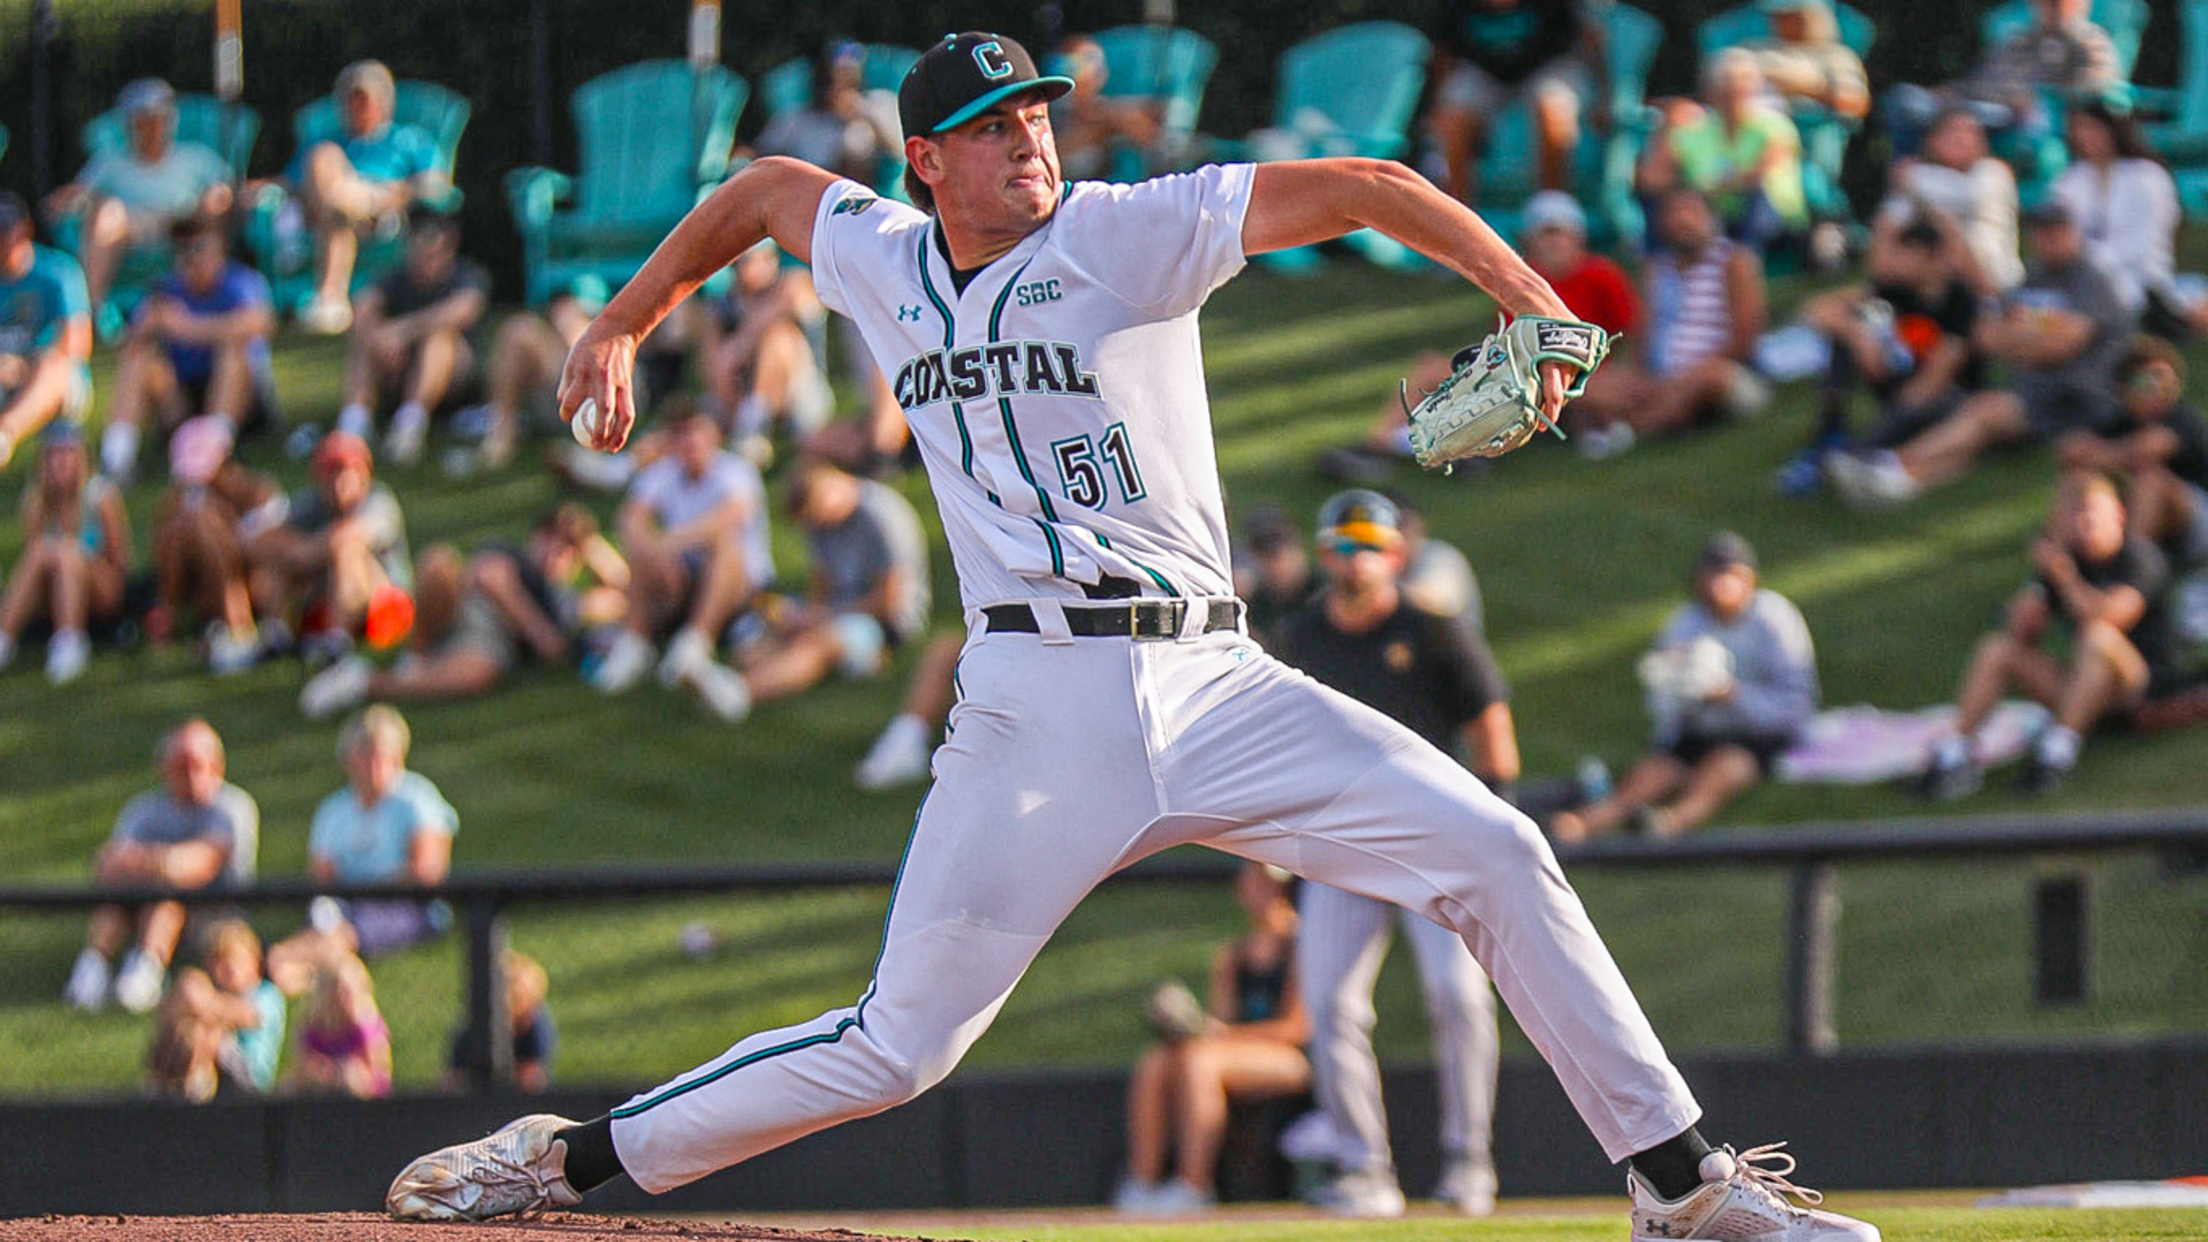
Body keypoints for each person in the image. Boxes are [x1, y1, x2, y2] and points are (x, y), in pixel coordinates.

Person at [387, 33, 1881, 1242]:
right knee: (896, 1051)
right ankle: (564, 1162)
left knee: (1498, 850)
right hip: (1036, 701)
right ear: (926, 160)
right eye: (986, 123)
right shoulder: (885, 258)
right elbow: (767, 187)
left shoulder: (1129, 231)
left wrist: (1533, 298)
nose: (1026, 136)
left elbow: (1362, 182)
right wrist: (626, 320)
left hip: (1219, 676)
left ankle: (1683, 1185)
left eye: (1032, 109)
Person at [1276, 491, 1515, 1217]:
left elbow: (1493, 736)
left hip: (1431, 836)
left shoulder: (1436, 632)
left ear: (1398, 554)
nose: (1357, 559)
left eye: (1370, 545)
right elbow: (1280, 748)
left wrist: (1489, 834)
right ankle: (1363, 1170)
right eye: (1345, 546)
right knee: (1331, 1005)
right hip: (1339, 838)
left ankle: (1469, 1163)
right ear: (1324, 555)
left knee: (1459, 995)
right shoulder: (1301, 637)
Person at [1827, 200, 2130, 505]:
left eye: (2058, 230)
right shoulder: (2035, 276)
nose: (2049, 238)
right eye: (2041, 230)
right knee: (1976, 435)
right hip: (2036, 393)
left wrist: (2022, 341)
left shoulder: (2093, 282)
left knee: (1984, 411)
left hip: (2078, 399)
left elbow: (2062, 346)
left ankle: (1891, 464)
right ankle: (1900, 481)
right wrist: (2032, 340)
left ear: (2075, 232)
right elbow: (1986, 336)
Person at [1324, 191, 1640, 480]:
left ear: (1578, 237)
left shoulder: (1601, 275)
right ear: (1529, 239)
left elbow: (1630, 332)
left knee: (1601, 390)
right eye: (1545, 234)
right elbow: (1505, 340)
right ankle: (1378, 445)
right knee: (1434, 367)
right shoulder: (1523, 282)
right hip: (1523, 374)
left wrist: (1620, 372)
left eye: (1559, 233)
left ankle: (1464, 445)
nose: (1553, 243)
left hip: (1579, 377)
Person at [1921, 471, 2173, 797]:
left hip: (2139, 690)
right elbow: (2021, 634)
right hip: (2082, 686)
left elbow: (2110, 617)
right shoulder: (2065, 562)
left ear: (2119, 514)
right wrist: (2037, 585)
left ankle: (2055, 754)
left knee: (2096, 635)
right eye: (2076, 515)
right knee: (1997, 648)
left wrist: (2064, 578)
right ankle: (1954, 752)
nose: (2085, 524)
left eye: (2092, 513)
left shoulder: (2141, 558)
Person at [1552, 533, 1818, 841]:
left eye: (1730, 575)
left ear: (1750, 579)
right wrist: (1681, 692)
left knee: (1726, 768)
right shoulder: (1686, 623)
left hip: (1757, 736)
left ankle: (1669, 822)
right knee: (1656, 771)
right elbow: (1662, 697)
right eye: (1712, 574)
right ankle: (1580, 825)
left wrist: (1732, 695)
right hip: (1697, 729)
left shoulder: (1775, 619)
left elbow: (1797, 703)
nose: (1720, 585)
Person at [299, 505, 631, 717]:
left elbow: (623, 595)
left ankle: (365, 683)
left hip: (487, 643)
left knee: (480, 673)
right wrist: (540, 630)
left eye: (568, 550)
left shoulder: (565, 597)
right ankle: (417, 660)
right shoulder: (513, 556)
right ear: (535, 537)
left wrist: (593, 546)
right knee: (439, 563)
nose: (555, 553)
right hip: (461, 610)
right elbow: (490, 578)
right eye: (551, 540)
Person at [1113, 862, 1310, 1214]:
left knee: (1198, 1061)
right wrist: (1191, 1026)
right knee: (1157, 1061)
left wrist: (1226, 1034)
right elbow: (1222, 1020)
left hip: (1292, 1059)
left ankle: (1194, 1187)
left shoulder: (1301, 945)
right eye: (1254, 881)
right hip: (1237, 1052)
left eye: (1268, 884)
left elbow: (1297, 1028)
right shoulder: (1234, 954)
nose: (1259, 890)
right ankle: (1143, 1184)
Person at [684, 459, 929, 722]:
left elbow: (888, 602)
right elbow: (823, 580)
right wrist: (806, 615)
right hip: (835, 608)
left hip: (885, 624)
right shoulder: (820, 522)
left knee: (816, 643)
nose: (817, 525)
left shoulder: (882, 516)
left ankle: (739, 694)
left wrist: (822, 617)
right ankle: (734, 677)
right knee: (753, 649)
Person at [63, 719, 259, 1014]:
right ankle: (93, 969)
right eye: (180, 766)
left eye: (197, 765)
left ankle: (145, 975)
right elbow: (108, 866)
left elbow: (199, 865)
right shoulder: (142, 810)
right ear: (164, 769)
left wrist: (145, 863)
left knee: (166, 901)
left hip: (214, 920)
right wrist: (163, 864)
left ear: (217, 766)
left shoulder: (233, 807)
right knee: (114, 903)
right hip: (140, 908)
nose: (190, 775)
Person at [1778, 219, 1984, 495]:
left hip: (1946, 400)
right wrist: (1857, 336)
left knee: (1930, 401)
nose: (1893, 260)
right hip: (1899, 385)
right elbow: (1815, 310)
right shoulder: (1895, 290)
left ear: (1929, 256)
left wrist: (1883, 426)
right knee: (1842, 342)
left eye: (1903, 252)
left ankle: (1855, 455)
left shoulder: (1960, 301)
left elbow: (1939, 375)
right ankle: (1830, 435)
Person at [593, 411, 772, 701]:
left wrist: (670, 543)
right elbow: (631, 519)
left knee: (724, 544)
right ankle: (635, 643)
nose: (689, 441)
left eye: (695, 431)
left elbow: (729, 516)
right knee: (641, 551)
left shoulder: (737, 471)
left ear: (713, 435)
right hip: (684, 581)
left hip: (743, 590)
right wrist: (654, 551)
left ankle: (695, 644)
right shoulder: (664, 472)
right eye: (680, 433)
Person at [1575, 187, 1768, 455]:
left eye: (1691, 212)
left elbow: (1743, 341)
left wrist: (1680, 380)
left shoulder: (1734, 263)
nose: (1682, 221)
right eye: (1673, 214)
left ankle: (1632, 430)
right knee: (1585, 385)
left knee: (1711, 377)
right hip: (1661, 379)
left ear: (1710, 217)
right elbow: (1643, 334)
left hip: (1720, 375)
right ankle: (1663, 418)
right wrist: (1638, 377)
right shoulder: (1656, 270)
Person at [100, 214, 276, 483]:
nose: (193, 258)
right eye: (184, 250)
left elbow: (259, 324)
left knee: (233, 351)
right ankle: (116, 460)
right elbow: (128, 349)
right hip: (181, 398)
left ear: (219, 247)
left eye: (200, 247)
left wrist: (188, 327)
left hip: (240, 398)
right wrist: (143, 330)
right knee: (140, 360)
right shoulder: (163, 290)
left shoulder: (240, 282)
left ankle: (216, 451)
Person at [41, 78, 233, 325]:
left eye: (157, 118)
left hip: (185, 221)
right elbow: (80, 192)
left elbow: (229, 191)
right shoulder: (110, 162)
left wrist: (220, 198)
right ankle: (89, 312)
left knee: (213, 203)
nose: (152, 127)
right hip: (131, 226)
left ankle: (210, 297)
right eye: (143, 120)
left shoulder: (196, 157)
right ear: (130, 123)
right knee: (107, 214)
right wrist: (64, 201)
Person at [282, 705, 458, 959]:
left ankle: (283, 960)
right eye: (365, 755)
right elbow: (320, 877)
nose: (373, 765)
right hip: (345, 907)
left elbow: (427, 872)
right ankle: (285, 967)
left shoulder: (418, 799)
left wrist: (367, 892)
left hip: (407, 906)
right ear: (348, 760)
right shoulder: (333, 809)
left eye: (381, 755)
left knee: (346, 932)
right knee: (328, 920)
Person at [292, 60, 450, 334]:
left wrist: (390, 194)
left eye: (365, 99)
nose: (359, 107)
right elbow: (291, 181)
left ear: (383, 102)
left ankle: (329, 297)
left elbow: (436, 184)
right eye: (353, 100)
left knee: (334, 194)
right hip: (335, 213)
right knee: (324, 165)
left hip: (387, 212)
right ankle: (332, 296)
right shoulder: (329, 140)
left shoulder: (407, 140)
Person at [335, 204, 490, 466]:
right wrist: (380, 339)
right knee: (364, 342)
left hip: (456, 384)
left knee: (437, 339)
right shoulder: (395, 279)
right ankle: (353, 424)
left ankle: (409, 427)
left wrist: (403, 331)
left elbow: (464, 309)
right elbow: (363, 309)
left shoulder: (466, 276)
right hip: (397, 373)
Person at [247, 429, 413, 659]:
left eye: (347, 472)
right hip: (326, 601)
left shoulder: (379, 500)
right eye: (331, 473)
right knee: (284, 549)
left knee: (347, 551)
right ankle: (276, 634)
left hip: (386, 607)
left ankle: (338, 641)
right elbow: (260, 540)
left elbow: (349, 536)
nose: (339, 482)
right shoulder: (312, 503)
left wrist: (305, 552)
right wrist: (296, 551)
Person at [1425, 0, 1607, 203]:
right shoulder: (1452, 7)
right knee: (1450, 119)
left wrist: (1606, 100)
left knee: (1553, 110)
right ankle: (1457, 209)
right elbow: (1443, 53)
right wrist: (1437, 101)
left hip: (1550, 66)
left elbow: (1592, 38)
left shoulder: (1561, 8)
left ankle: (1552, 207)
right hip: (1484, 71)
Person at [1883, 0, 2118, 157]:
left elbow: (2097, 89)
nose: (2048, 7)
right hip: (1976, 107)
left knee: (2022, 121)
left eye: (2056, 3)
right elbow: (1980, 82)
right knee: (1905, 100)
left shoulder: (2090, 41)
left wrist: (2039, 97)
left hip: (2021, 119)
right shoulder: (2017, 41)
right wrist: (1949, 92)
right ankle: (1910, 172)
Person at [2059, 338, 2208, 570]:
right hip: (2151, 525)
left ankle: (2131, 569)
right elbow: (2071, 451)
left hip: (2199, 525)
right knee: (2080, 482)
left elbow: (2147, 449)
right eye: (2148, 381)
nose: (2161, 389)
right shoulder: (2119, 423)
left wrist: (2101, 456)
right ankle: (2060, 569)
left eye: (2167, 379)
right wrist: (2107, 458)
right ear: (2123, 389)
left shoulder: (2181, 419)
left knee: (2151, 478)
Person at [150, 414, 283, 673]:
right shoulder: (183, 502)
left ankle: (238, 628)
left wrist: (222, 524)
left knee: (205, 522)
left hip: (261, 586)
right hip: (201, 591)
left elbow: (271, 556)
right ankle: (224, 629)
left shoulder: (259, 493)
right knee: (190, 525)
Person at [1639, 51, 1807, 256]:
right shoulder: (1696, 130)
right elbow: (1651, 179)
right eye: (1725, 86)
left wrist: (1709, 186)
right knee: (1666, 203)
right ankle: (1658, 265)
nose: (1733, 92)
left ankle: (1745, 258)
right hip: (1712, 211)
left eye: (1741, 86)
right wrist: (1669, 125)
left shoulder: (1775, 126)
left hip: (1770, 213)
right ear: (1711, 92)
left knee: (1756, 195)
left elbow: (1762, 171)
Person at [0, 424, 131, 683]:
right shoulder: (36, 504)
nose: (59, 463)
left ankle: (70, 642)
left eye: (66, 454)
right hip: (53, 592)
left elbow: (119, 563)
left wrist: (75, 557)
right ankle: (5, 636)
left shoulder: (99, 497)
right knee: (42, 551)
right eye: (53, 456)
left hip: (100, 590)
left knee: (67, 552)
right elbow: (34, 565)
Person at [2050, 98, 2191, 329]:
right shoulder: (2070, 180)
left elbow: (2144, 242)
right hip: (2078, 278)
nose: (2086, 137)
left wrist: (2090, 260)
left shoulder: (2148, 177)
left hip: (2141, 278)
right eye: (2079, 128)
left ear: (2114, 130)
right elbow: (2059, 231)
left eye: (2093, 128)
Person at [700, 240, 835, 463]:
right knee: (692, 419)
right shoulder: (722, 305)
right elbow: (714, 364)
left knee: (778, 337)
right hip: (740, 394)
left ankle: (754, 423)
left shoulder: (793, 284)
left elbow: (793, 297)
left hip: (801, 395)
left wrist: (738, 348)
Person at [452, 278, 604, 472]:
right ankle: (502, 430)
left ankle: (596, 463)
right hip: (551, 403)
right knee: (518, 330)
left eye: (570, 306)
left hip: (594, 414)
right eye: (561, 305)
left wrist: (576, 332)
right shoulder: (543, 342)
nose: (562, 311)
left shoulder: (616, 349)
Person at [0, 192, 94, 471]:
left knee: (52, 365)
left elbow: (78, 342)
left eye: (7, 232)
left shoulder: (58, 271)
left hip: (54, 381)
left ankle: (5, 434)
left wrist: (22, 365)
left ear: (25, 229)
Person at [145, 919, 285, 1102]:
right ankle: (165, 1081)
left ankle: (195, 1084)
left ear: (255, 961)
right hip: (221, 1070)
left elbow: (247, 1015)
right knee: (189, 1026)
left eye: (233, 961)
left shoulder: (265, 994)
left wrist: (201, 998)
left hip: (248, 1075)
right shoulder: (218, 993)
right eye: (217, 963)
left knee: (205, 1030)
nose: (225, 970)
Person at [756, 40, 903, 186]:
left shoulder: (878, 103)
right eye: (833, 80)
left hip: (869, 193)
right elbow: (763, 153)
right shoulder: (797, 119)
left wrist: (864, 114)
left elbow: (899, 154)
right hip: (813, 192)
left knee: (854, 142)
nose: (841, 87)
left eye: (849, 78)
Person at [1049, 34, 1163, 181]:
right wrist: (1100, 129)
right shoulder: (1051, 107)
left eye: (1095, 60)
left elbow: (1154, 116)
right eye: (1083, 62)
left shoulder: (1105, 107)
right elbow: (1055, 156)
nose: (1092, 70)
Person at [1733, 0, 1868, 120]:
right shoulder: (1756, 48)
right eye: (1780, 17)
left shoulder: (1838, 57)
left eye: (1794, 16)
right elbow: (1725, 82)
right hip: (1766, 134)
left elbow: (1855, 102)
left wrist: (1808, 84)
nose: (1784, 23)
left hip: (1814, 133)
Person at [446, 950, 559, 1093]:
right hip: (477, 1083)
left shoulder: (535, 1025)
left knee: (533, 1080)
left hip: (516, 1084)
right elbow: (453, 1072)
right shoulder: (473, 1026)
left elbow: (533, 1070)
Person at [287, 953, 395, 1098]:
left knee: (350, 1076)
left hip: (365, 1091)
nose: (348, 997)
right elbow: (303, 1066)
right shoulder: (314, 1026)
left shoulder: (366, 1024)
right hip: (324, 1084)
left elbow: (377, 1069)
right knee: (287, 1087)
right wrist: (325, 1070)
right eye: (341, 991)